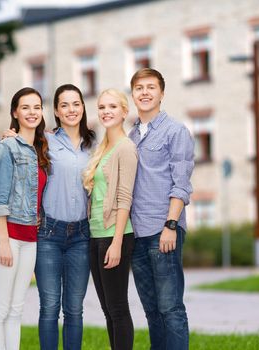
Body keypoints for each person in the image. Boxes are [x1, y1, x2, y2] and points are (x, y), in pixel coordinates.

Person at [128, 68, 195, 350]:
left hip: (163, 230)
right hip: (137, 234)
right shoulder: (130, 136)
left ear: (162, 93)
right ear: (133, 94)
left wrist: (170, 225)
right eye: (139, 88)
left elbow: (181, 183)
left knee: (171, 309)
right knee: (152, 311)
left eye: (151, 87)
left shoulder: (175, 131)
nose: (145, 92)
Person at [0, 87, 50, 350]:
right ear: (15, 112)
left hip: (30, 238)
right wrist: (2, 241)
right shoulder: (7, 147)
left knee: (16, 308)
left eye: (36, 107)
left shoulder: (41, 151)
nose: (32, 112)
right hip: (7, 236)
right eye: (25, 107)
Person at [36, 84, 95, 350]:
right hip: (48, 234)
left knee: (74, 309)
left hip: (82, 236)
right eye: (64, 105)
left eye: (76, 104)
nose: (71, 110)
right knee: (49, 307)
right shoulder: (45, 141)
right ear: (57, 112)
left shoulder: (94, 145)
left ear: (83, 107)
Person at [83, 89, 137, 350]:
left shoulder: (125, 148)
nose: (106, 111)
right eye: (102, 107)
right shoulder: (104, 147)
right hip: (96, 236)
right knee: (107, 310)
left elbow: (125, 198)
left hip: (115, 236)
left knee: (117, 308)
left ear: (124, 112)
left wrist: (116, 243)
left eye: (113, 107)